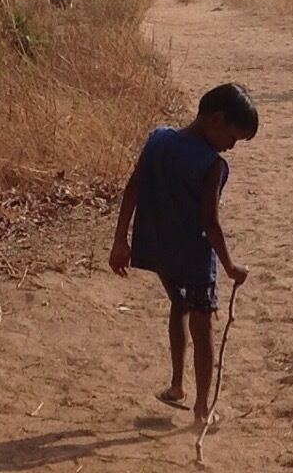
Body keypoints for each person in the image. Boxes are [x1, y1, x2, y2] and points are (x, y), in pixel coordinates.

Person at [109, 83, 257, 422]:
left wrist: (120, 241)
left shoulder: (158, 140)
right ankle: (202, 407)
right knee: (203, 328)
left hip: (160, 253)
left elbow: (133, 187)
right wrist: (230, 266)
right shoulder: (211, 164)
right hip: (194, 260)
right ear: (216, 119)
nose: (231, 147)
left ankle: (177, 385)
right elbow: (210, 222)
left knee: (179, 306)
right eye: (233, 138)